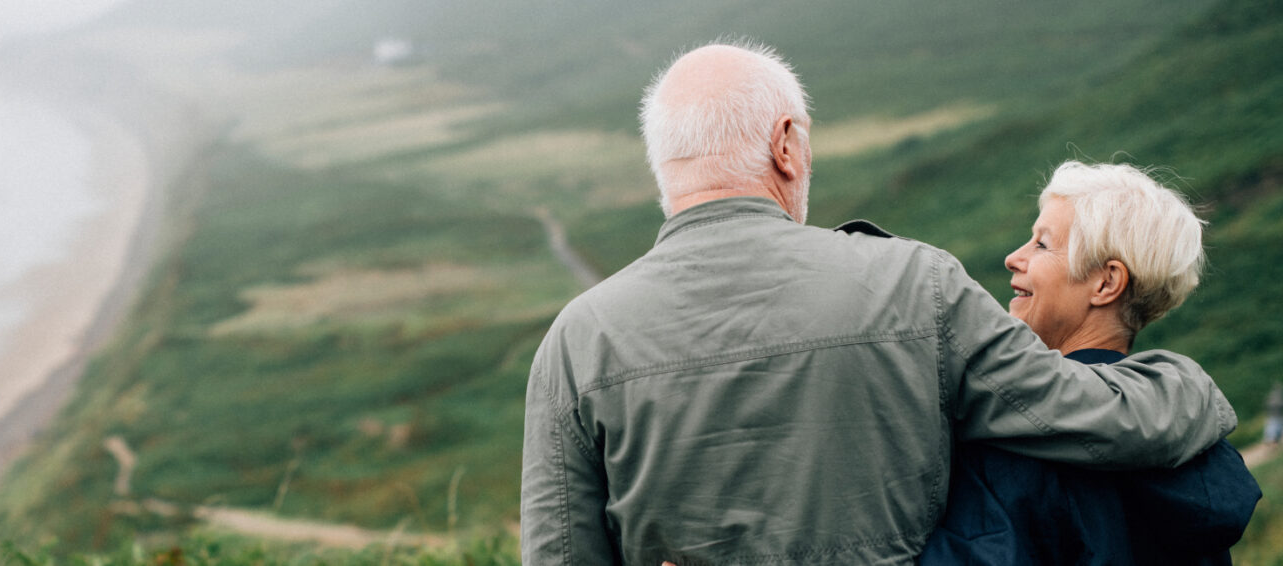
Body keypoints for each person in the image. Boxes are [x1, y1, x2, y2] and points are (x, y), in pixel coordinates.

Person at [519, 42, 1236, 565]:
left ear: (663, 166)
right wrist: (1191, 385)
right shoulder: (915, 286)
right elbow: (1093, 415)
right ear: (787, 145)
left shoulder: (575, 342)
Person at [919, 162, 1261, 565]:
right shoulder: (1198, 447)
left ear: (1106, 283)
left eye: (1042, 245)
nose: (1014, 258)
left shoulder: (1013, 441)